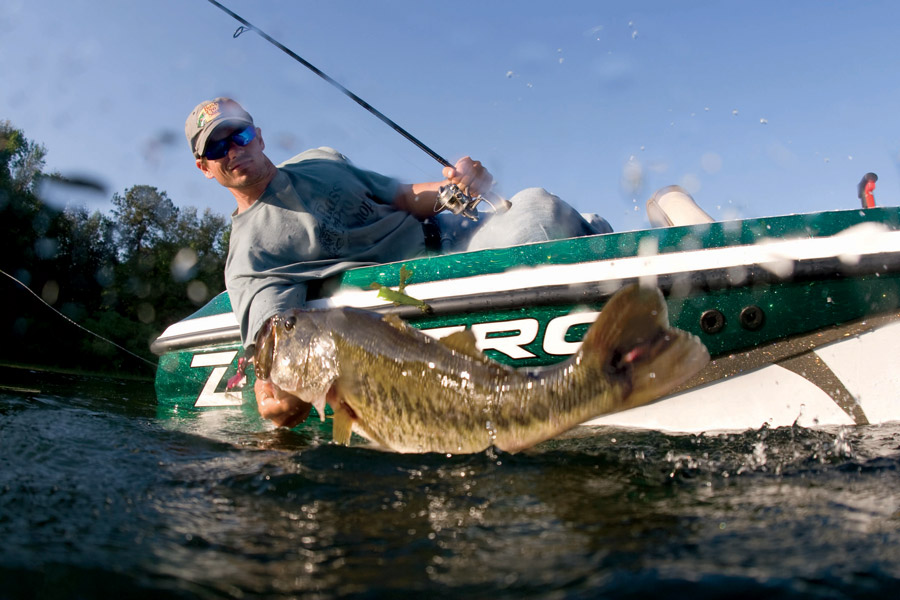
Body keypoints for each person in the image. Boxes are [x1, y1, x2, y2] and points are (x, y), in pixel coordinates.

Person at [185, 97, 609, 427]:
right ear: (206, 168)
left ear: (258, 136)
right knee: (539, 211)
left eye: (237, 136)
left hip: (457, 232)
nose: (232, 152)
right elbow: (274, 371)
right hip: (426, 281)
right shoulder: (249, 257)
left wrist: (456, 187)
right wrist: (276, 399)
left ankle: (615, 239)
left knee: (559, 211)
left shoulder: (321, 161)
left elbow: (406, 196)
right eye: (217, 148)